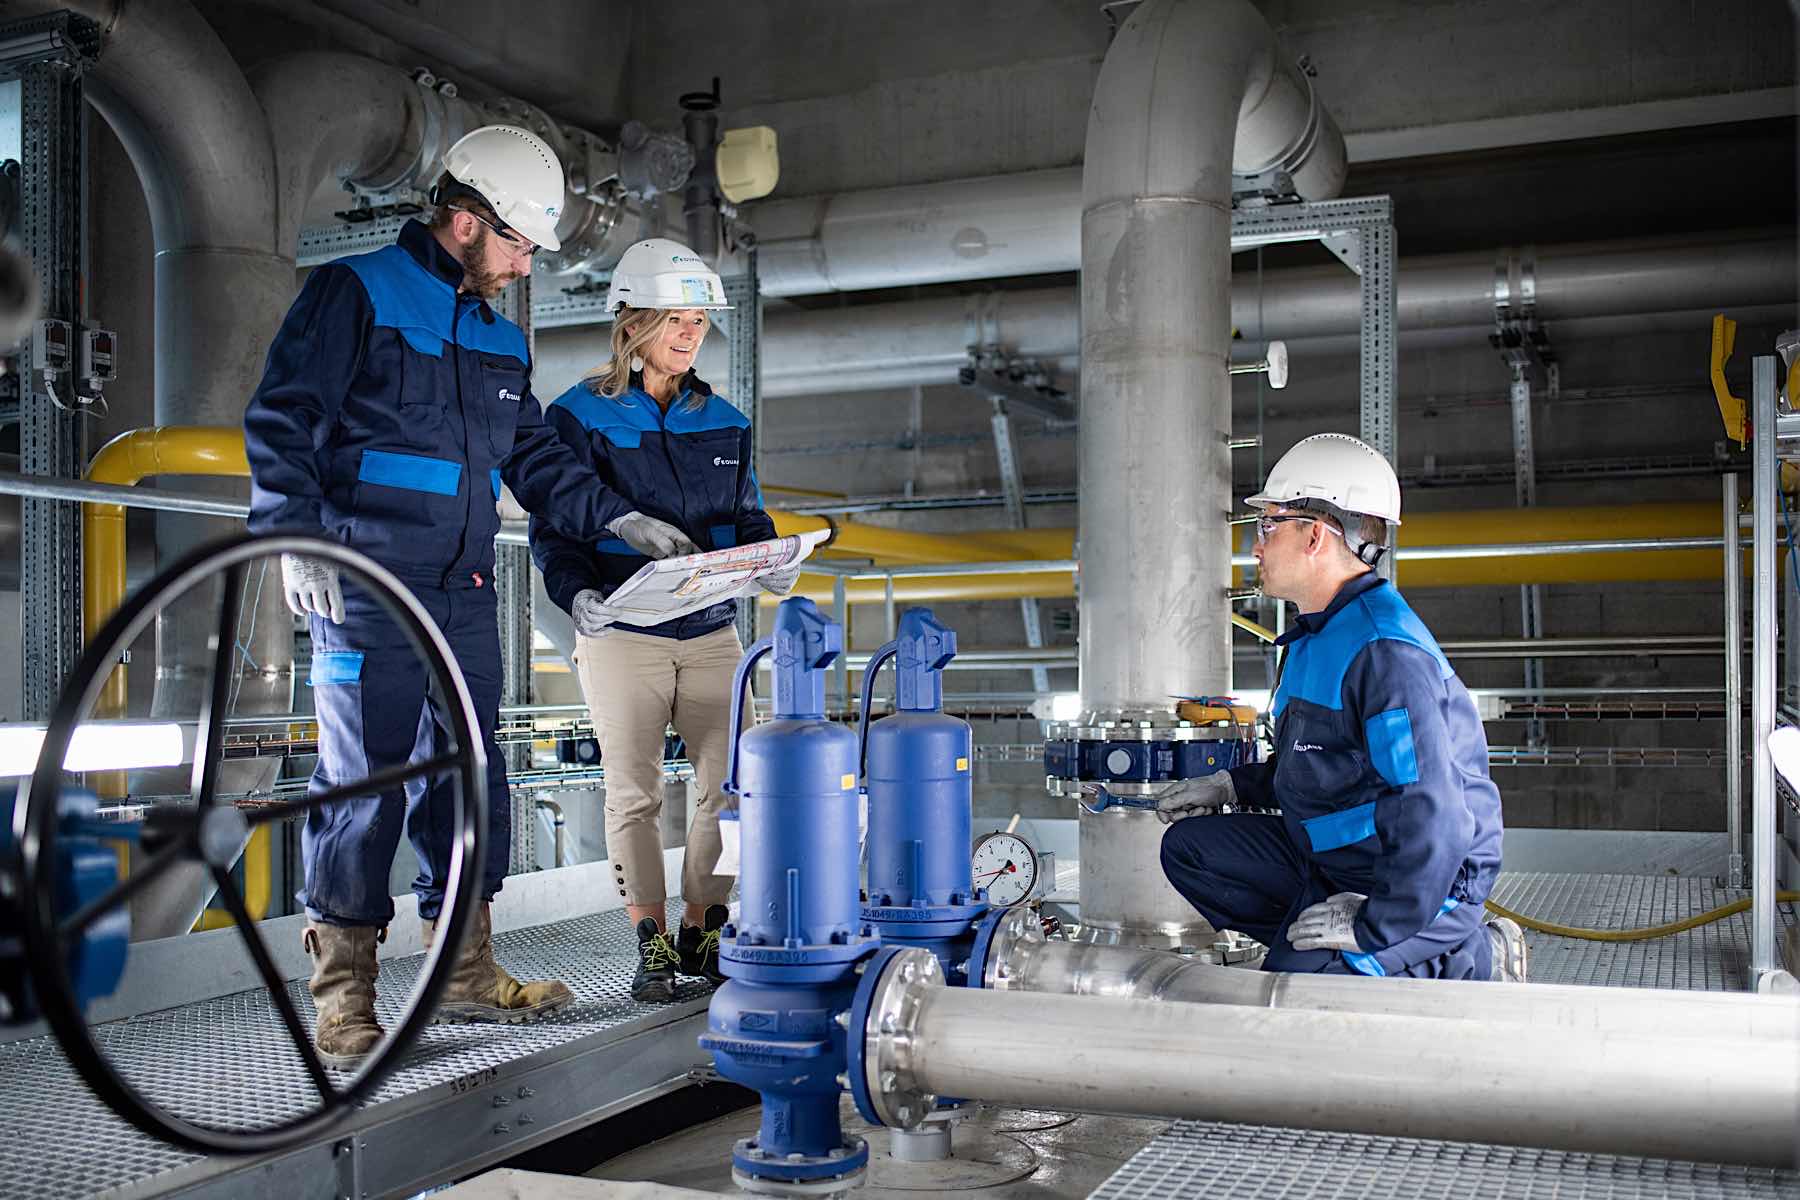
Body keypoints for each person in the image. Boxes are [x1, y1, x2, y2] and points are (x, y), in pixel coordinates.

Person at [245, 126, 650, 1067]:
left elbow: (535, 457)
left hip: (464, 590)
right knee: (362, 783)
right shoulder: (354, 294)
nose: (523, 266)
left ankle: (464, 970)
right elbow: (284, 416)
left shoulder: (501, 340)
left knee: (472, 778)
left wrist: (617, 521)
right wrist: (291, 536)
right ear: (465, 222)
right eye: (515, 245)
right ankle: (343, 997)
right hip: (366, 584)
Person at [1156, 433, 1528, 982]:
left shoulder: (1385, 653)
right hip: (1337, 864)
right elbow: (1315, 763)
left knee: (1303, 996)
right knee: (1189, 850)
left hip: (1424, 882)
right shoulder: (1312, 637)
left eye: (1267, 527)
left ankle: (1468, 954)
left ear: (1315, 536)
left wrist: (1375, 924)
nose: (1256, 548)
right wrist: (1234, 787)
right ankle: (1315, 940)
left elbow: (1436, 813)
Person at [530, 237, 795, 1003]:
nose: (689, 333)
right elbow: (556, 524)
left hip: (712, 631)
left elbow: (745, 518)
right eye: (674, 318)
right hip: (622, 634)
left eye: (699, 321)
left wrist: (771, 555)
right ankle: (649, 943)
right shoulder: (578, 415)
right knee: (633, 794)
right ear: (632, 321)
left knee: (732, 789)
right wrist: (572, 591)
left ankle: (703, 929)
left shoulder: (725, 419)